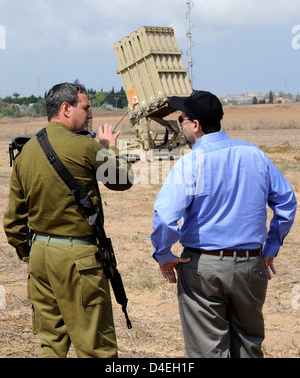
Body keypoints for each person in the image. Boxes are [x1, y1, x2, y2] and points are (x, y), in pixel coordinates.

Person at [151, 90, 297, 358]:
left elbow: (165, 217)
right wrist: (271, 247)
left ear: (195, 125)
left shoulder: (190, 163)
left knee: (207, 351)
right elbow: (287, 203)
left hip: (203, 268)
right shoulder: (255, 154)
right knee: (249, 346)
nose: (180, 124)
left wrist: (163, 254)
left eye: (181, 119)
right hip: (251, 266)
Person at [3, 81, 134, 358]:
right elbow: (124, 179)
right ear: (66, 108)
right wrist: (109, 147)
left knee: (51, 342)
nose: (91, 115)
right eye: (86, 108)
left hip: (40, 258)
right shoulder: (86, 147)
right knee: (95, 348)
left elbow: (14, 222)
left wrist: (28, 256)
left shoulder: (25, 153)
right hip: (79, 260)